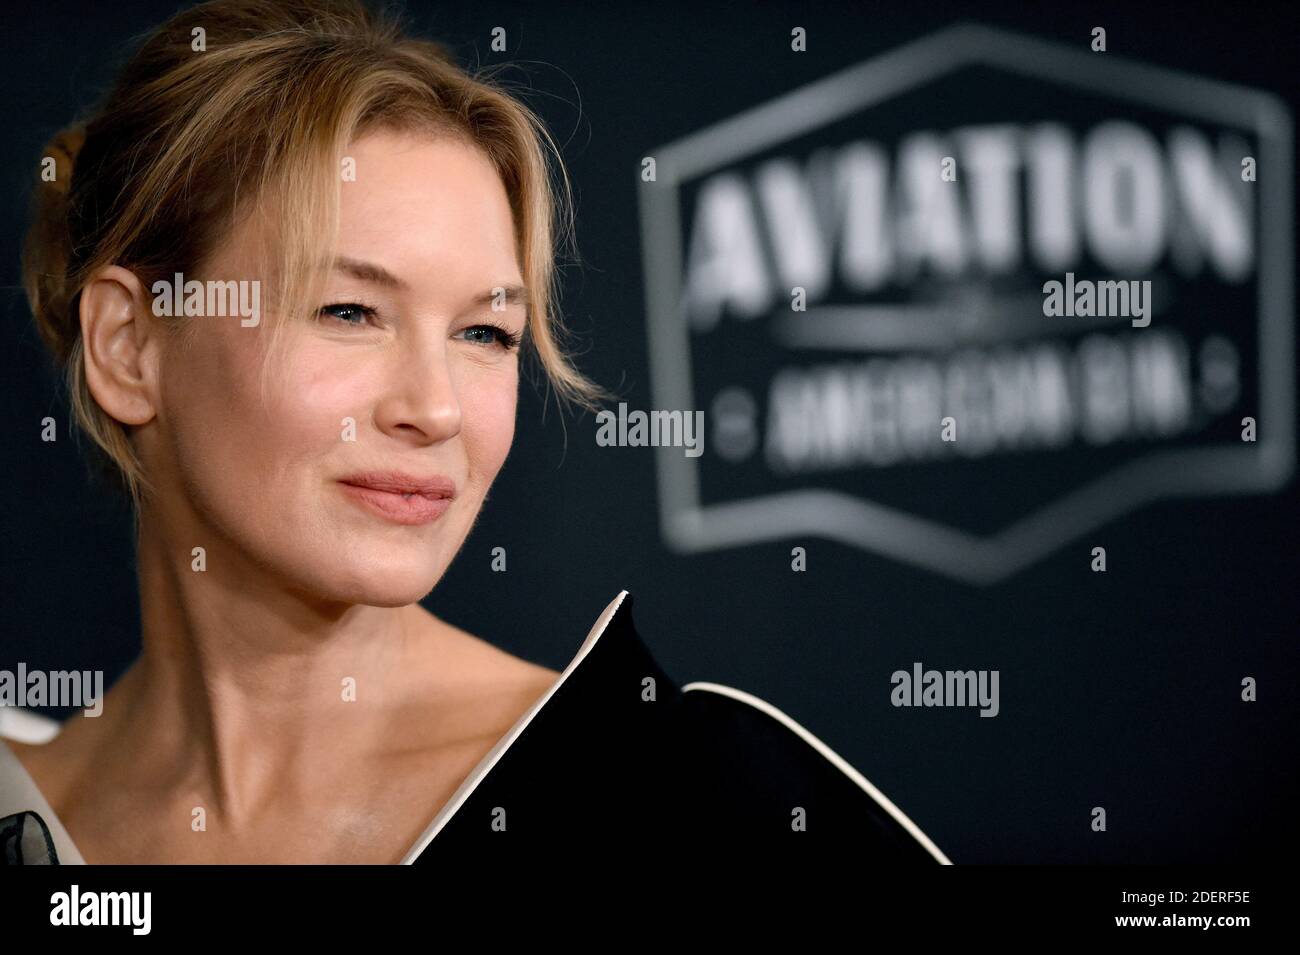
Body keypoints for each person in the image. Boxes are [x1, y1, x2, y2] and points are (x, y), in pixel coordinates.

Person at [1, 0, 948, 865]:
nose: (437, 406)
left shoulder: (689, 797)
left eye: (485, 332)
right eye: (348, 311)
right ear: (129, 346)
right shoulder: (21, 807)